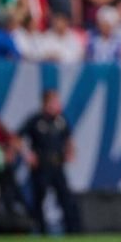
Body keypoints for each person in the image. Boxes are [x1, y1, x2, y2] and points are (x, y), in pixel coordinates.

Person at [18, 91, 80, 234]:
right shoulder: (35, 120)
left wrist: (71, 152)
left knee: (65, 198)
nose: (59, 105)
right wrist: (27, 155)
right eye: (56, 102)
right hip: (41, 166)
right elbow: (17, 138)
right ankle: (41, 230)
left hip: (57, 165)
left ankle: (73, 231)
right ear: (46, 103)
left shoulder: (61, 120)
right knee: (39, 199)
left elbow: (68, 138)